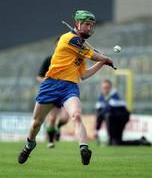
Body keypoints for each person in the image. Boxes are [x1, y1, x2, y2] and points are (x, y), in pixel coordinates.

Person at [18, 10, 113, 165]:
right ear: (77, 24)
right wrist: (105, 58)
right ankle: (29, 145)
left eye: (91, 25)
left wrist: (101, 63)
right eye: (87, 24)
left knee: (76, 115)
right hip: (50, 84)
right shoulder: (69, 39)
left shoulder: (81, 52)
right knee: (36, 123)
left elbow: (83, 75)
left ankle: (84, 148)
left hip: (69, 87)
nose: (89, 28)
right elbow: (92, 54)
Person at [95, 79, 151, 146]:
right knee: (117, 142)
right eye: (104, 88)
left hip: (122, 118)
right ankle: (140, 141)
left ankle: (111, 139)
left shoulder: (114, 96)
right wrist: (97, 130)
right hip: (114, 119)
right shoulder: (101, 97)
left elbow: (107, 110)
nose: (106, 90)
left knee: (108, 116)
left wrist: (97, 128)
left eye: (107, 88)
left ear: (110, 88)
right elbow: (99, 112)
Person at [36, 56, 69, 148]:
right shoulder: (49, 60)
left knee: (65, 118)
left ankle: (58, 127)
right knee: (52, 118)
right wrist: (50, 84)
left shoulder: (69, 58)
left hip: (65, 93)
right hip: (53, 93)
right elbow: (39, 77)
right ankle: (50, 141)